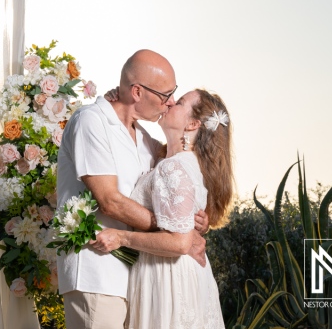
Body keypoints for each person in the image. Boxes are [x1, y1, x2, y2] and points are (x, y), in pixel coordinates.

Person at [56, 49, 208, 329]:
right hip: (97, 273)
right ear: (137, 92)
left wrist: (196, 220)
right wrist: (177, 234)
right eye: (165, 95)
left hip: (136, 279)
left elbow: (177, 187)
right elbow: (110, 201)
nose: (170, 102)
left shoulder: (145, 140)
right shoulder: (92, 121)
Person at [90, 88, 234, 329]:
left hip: (167, 275)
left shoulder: (173, 166)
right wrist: (118, 100)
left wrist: (120, 237)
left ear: (192, 123)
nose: (170, 103)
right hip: (177, 274)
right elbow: (126, 131)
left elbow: (179, 242)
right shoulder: (175, 160)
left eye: (179, 103)